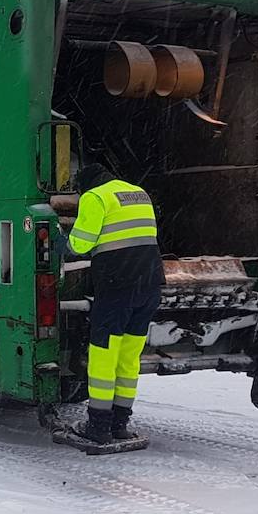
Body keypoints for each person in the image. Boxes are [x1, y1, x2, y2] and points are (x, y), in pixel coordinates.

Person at [62, 163, 165, 446]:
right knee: (129, 358)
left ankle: (97, 426)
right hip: (149, 285)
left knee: (104, 356)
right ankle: (120, 423)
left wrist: (64, 244)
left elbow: (81, 244)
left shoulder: (95, 197)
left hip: (118, 286)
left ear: (86, 185)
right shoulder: (137, 192)